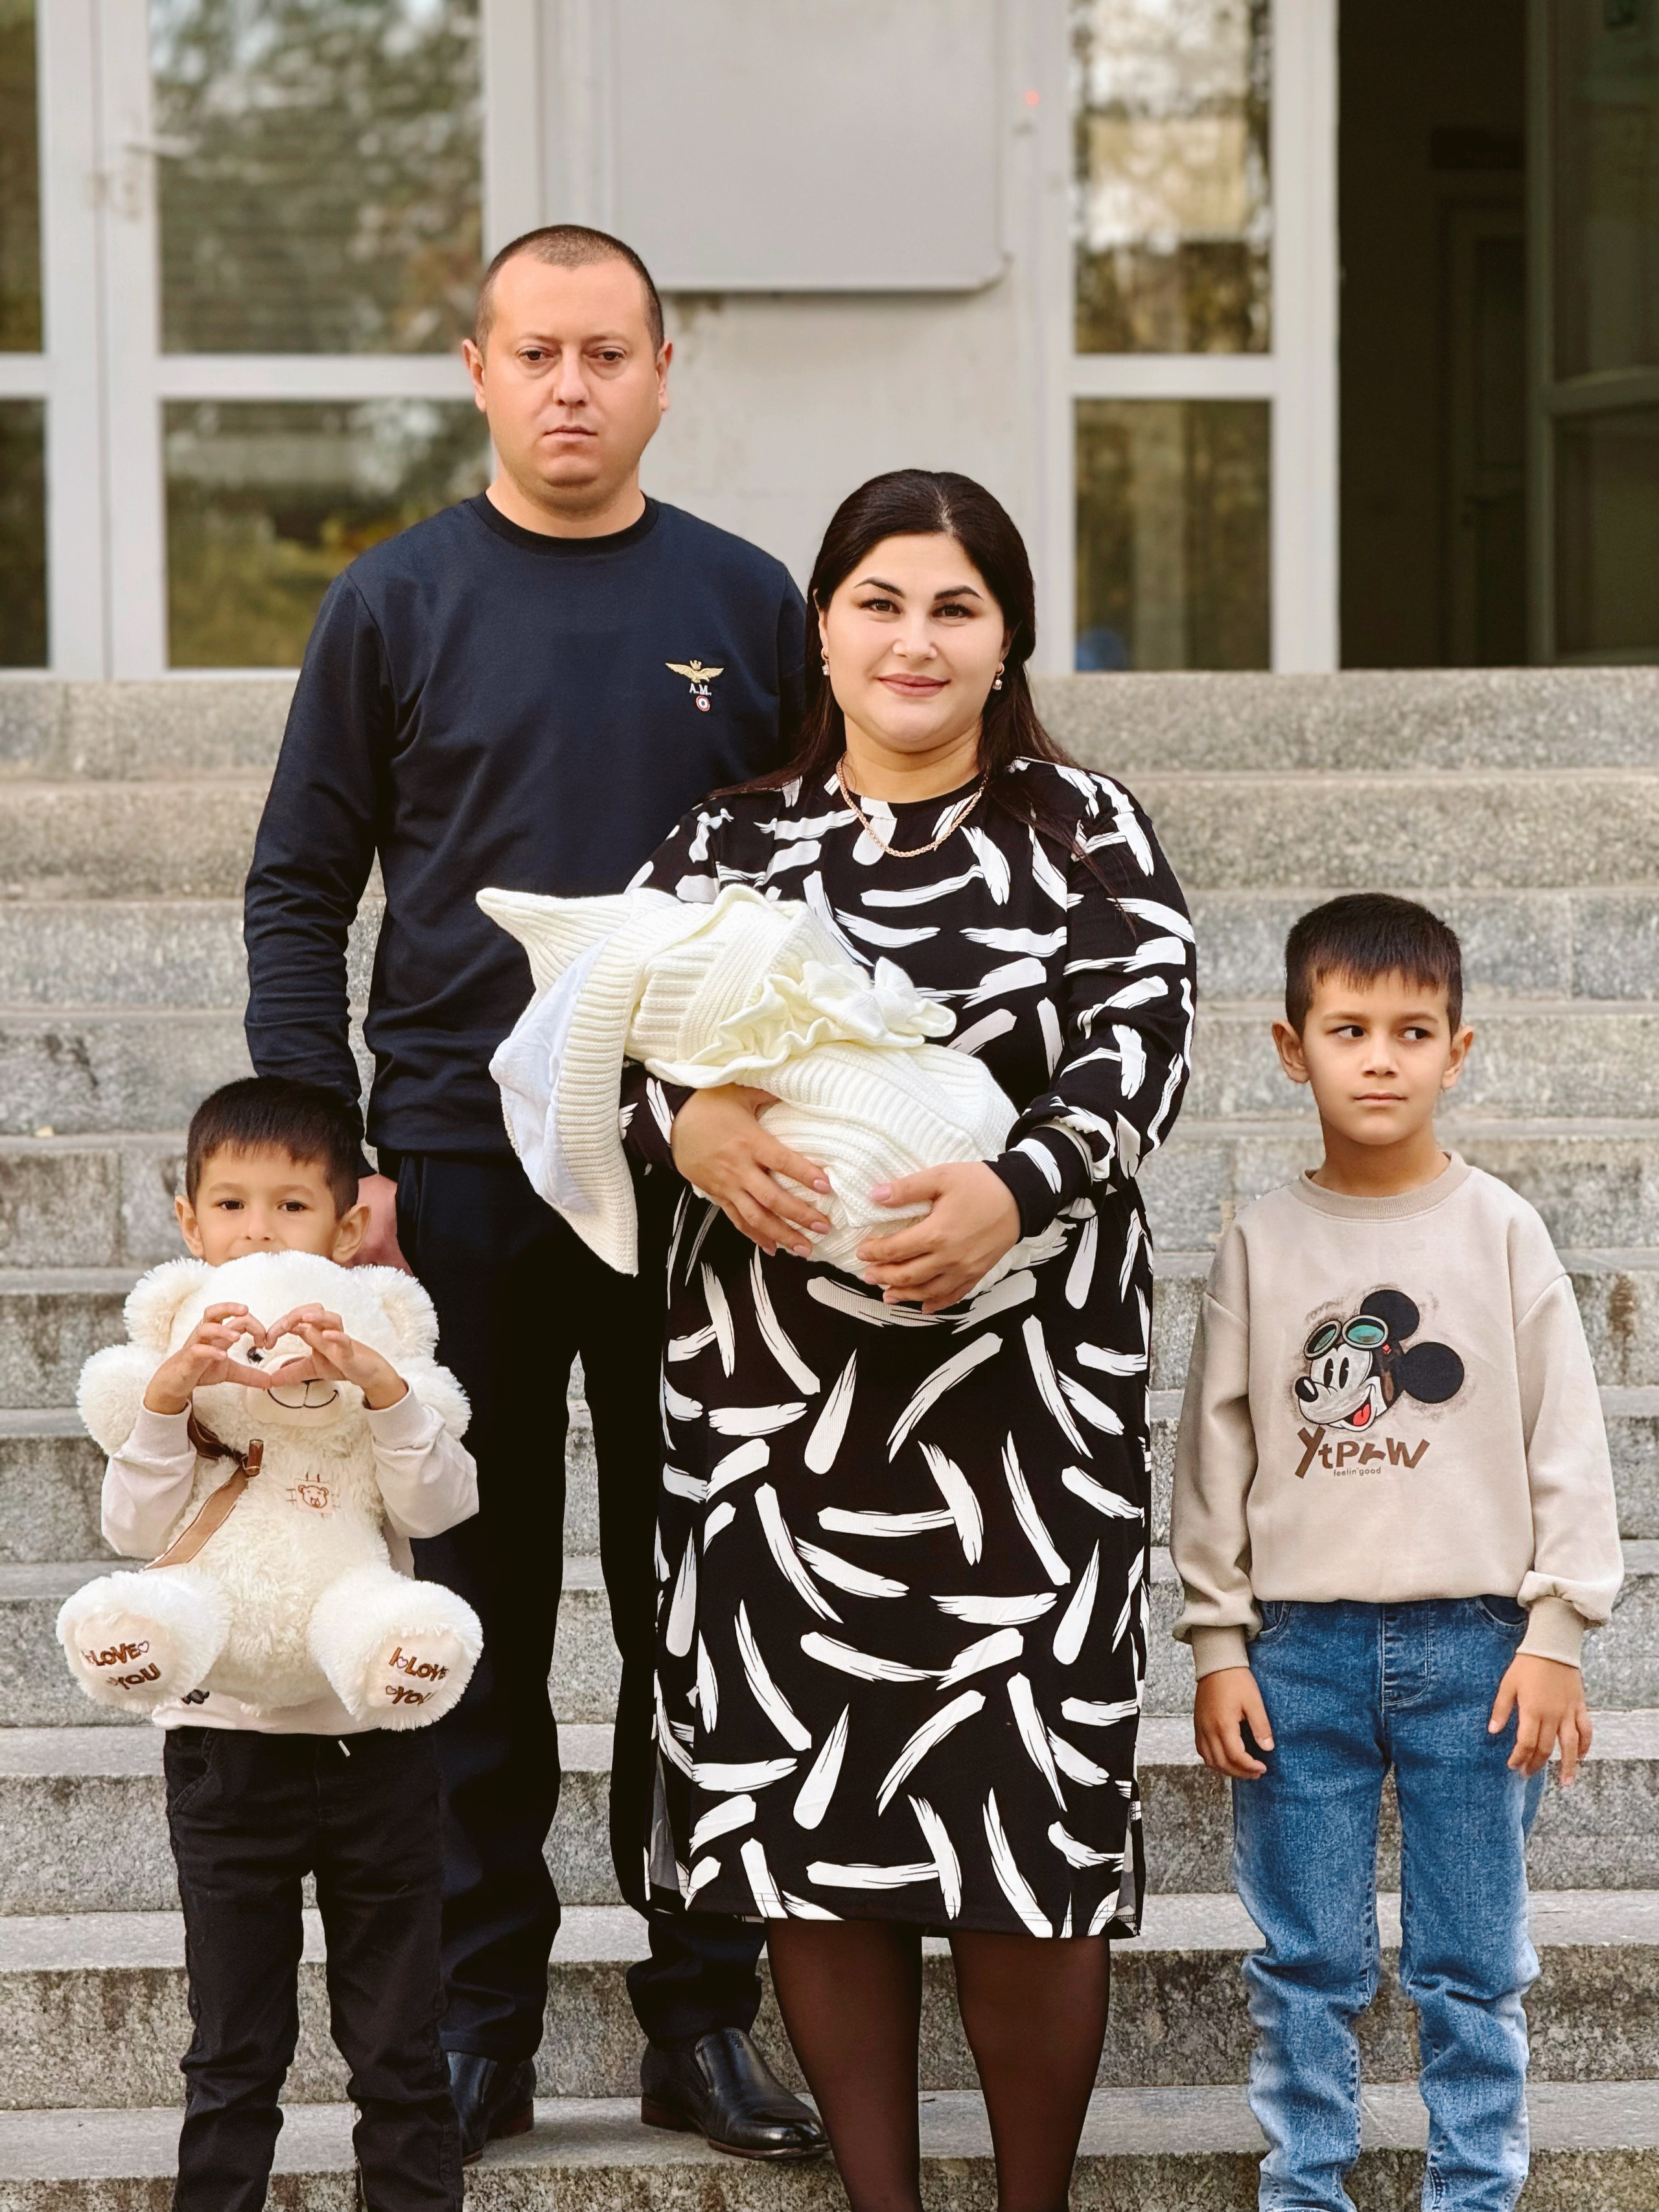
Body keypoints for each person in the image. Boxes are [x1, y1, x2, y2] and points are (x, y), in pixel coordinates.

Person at [242, 226, 823, 2161]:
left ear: (666, 366)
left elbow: (815, 896)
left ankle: (700, 2003)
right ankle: (482, 2016)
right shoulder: (393, 601)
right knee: (472, 1603)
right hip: (455, 1181)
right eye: (535, 353)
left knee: (701, 1601)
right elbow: (299, 885)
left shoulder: (750, 600)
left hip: (699, 1187)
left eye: (606, 353)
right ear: (477, 371)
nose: (571, 386)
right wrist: (328, 1168)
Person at [610, 469, 1196, 2211]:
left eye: (953, 605)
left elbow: (1143, 1046)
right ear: (825, 626)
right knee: (819, 1824)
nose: (915, 638)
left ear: (1005, 633)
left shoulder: (1088, 828)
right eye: (880, 600)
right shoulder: (729, 841)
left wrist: (1022, 1186)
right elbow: (603, 1036)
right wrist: (684, 1128)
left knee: (1028, 1834)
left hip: (1032, 1408)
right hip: (781, 1411)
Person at [1170, 893, 1624, 2212]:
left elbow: (1566, 1444)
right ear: (1287, 1045)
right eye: (1348, 1028)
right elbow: (1216, 1451)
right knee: (1304, 1958)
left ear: (1457, 1050)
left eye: (1410, 1031)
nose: (1379, 1057)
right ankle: (1304, 2186)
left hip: (1474, 1647)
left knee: (1470, 1957)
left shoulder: (1499, 1233)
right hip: (1294, 1654)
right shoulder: (1262, 1239)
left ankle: (1470, 2191)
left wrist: (1554, 1635)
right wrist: (1214, 1641)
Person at [100, 1075, 480, 2212]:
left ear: (352, 1224)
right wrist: (168, 1403)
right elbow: (131, 1529)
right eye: (229, 1205)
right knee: (231, 2050)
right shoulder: (171, 1366)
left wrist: (385, 1392)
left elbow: (440, 1505)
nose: (256, 1231)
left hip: (376, 1745)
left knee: (400, 2053)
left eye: (290, 1206)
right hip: (227, 1752)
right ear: (189, 1223)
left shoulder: (382, 1357)